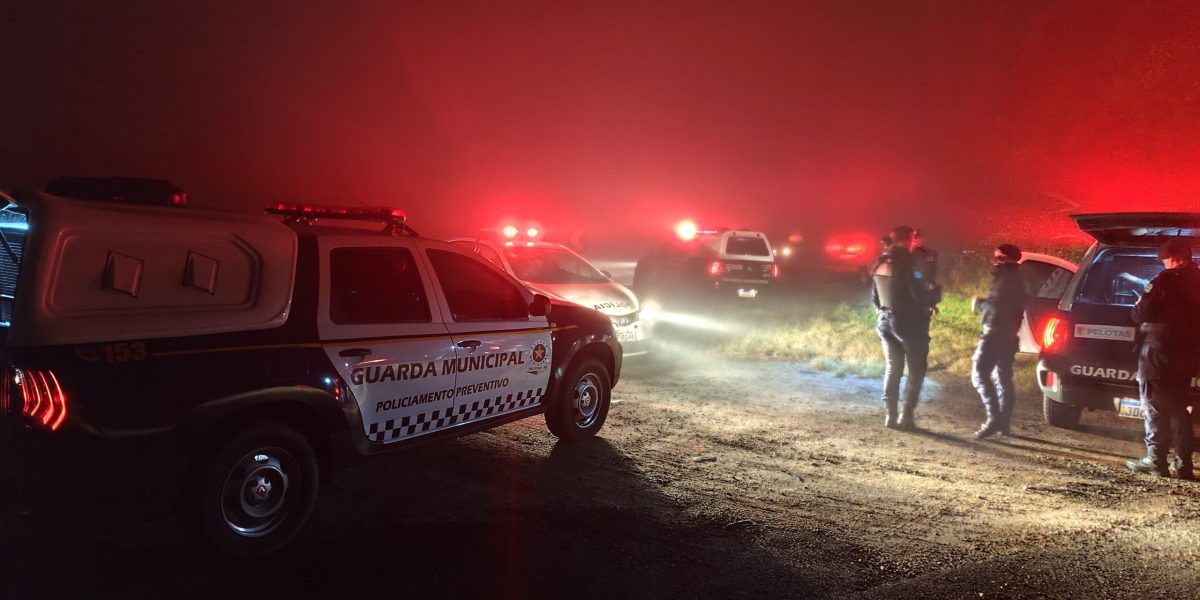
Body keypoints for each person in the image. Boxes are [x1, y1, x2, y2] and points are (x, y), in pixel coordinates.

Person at [1125, 238, 1200, 480]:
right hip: (1187, 354)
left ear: (1174, 258)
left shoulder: (1165, 281)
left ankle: (1156, 460)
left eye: (1165, 260)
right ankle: (1183, 465)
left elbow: (1140, 313)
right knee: (1178, 407)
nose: (1164, 264)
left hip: (1159, 351)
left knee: (1154, 406)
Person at [871, 226, 939, 430]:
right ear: (908, 239)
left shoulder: (881, 261)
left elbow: (875, 296)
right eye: (913, 239)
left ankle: (890, 416)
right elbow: (919, 293)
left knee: (893, 367)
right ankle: (906, 416)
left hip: (884, 320)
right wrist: (931, 297)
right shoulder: (908, 264)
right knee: (916, 368)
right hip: (906, 323)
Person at [970, 244, 1030, 439]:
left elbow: (997, 309)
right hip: (1008, 335)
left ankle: (994, 418)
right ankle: (1003, 422)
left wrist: (980, 303)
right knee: (1003, 378)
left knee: (979, 374)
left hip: (995, 334)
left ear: (1006, 258)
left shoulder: (1007, 280)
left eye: (999, 257)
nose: (995, 261)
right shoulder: (1016, 278)